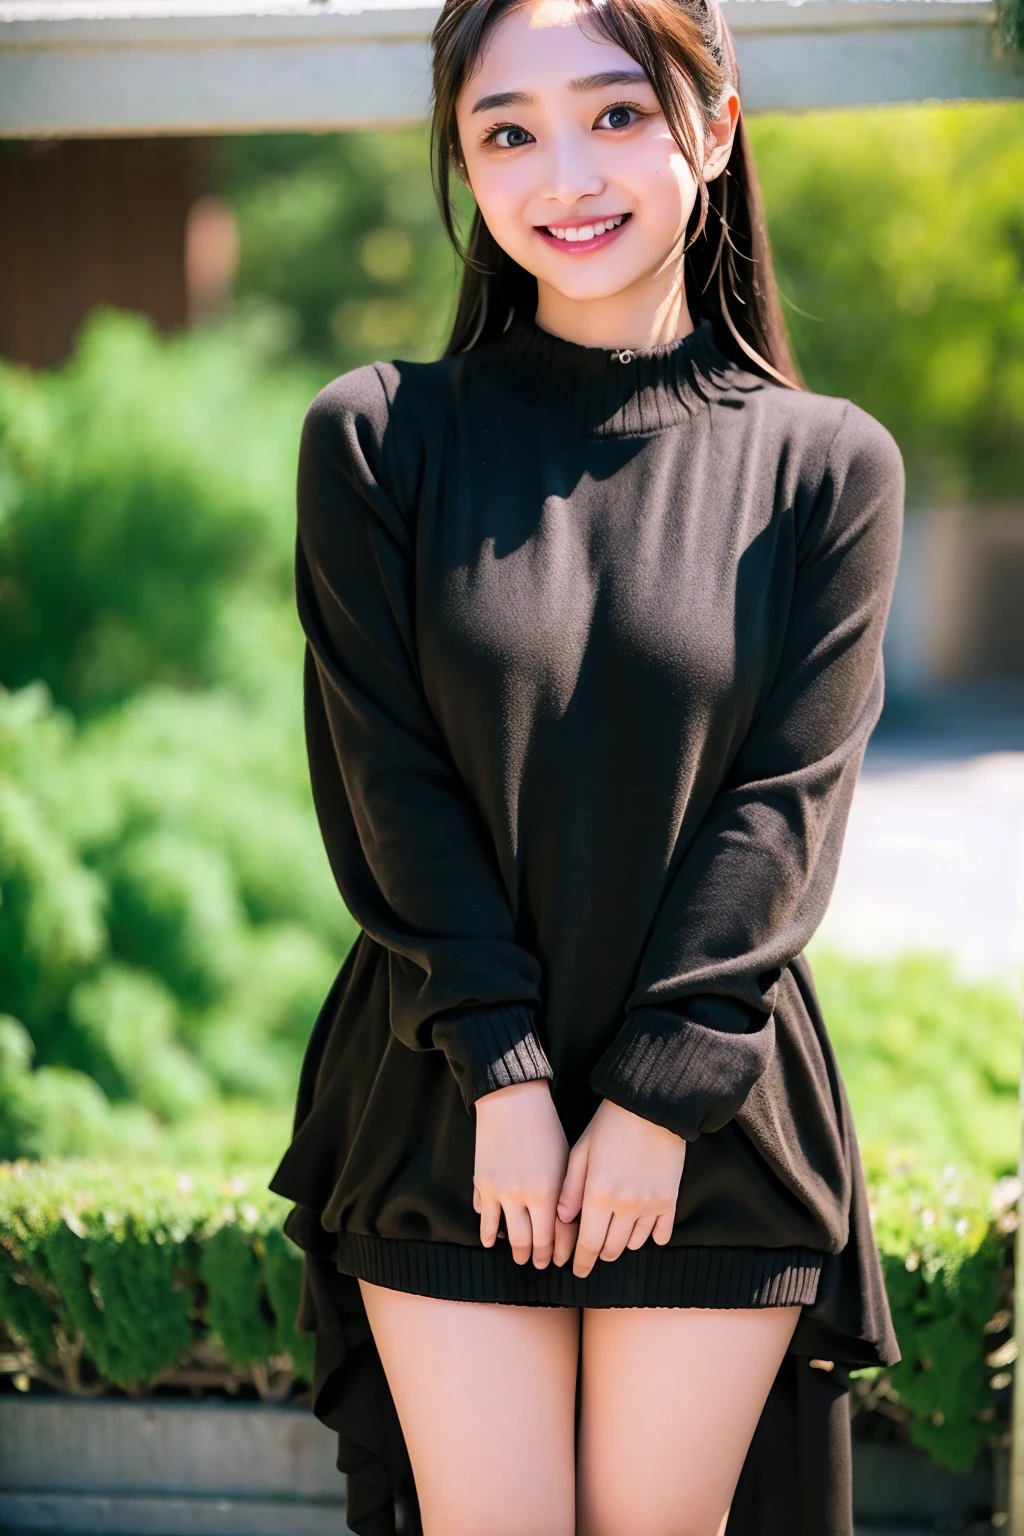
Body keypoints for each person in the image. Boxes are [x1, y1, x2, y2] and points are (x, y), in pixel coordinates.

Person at [269, 0, 903, 1529]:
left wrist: (652, 1104)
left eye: (617, 113)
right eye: (508, 131)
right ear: (465, 169)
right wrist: (508, 1075)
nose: (567, 170)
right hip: (443, 1097)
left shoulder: (829, 466)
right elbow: (386, 783)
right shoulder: (377, 440)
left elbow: (782, 813)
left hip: (713, 1120)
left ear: (716, 125)